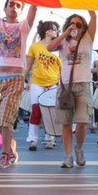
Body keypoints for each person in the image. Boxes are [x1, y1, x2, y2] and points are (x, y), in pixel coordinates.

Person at [0, 0, 37, 169]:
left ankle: (4, 154)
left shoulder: (24, 26)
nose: (14, 7)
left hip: (15, 78)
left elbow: (34, 5)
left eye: (18, 5)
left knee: (6, 117)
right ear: (4, 8)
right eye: (11, 4)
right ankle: (10, 145)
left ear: (21, 10)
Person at [48, 11, 97, 168]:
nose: (75, 26)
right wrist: (65, 34)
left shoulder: (87, 39)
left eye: (78, 24)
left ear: (84, 28)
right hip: (65, 87)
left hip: (83, 85)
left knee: (82, 121)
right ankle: (68, 156)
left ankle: (78, 149)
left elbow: (94, 17)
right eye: (72, 23)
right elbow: (49, 47)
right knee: (66, 123)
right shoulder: (63, 41)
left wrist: (88, 3)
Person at [26, 21, 60, 150]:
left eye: (57, 29)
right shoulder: (35, 47)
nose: (56, 31)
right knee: (36, 110)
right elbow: (28, 66)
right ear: (46, 31)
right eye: (54, 28)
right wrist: (24, 81)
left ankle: (50, 138)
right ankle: (32, 139)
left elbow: (63, 68)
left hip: (53, 83)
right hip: (37, 82)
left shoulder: (59, 47)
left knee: (51, 112)